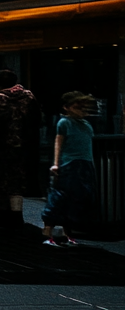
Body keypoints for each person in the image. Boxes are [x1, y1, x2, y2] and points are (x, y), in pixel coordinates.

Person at [42, 92, 97, 247]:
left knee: (77, 199)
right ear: (67, 108)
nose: (82, 109)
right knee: (62, 196)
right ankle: (50, 230)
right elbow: (58, 143)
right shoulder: (65, 122)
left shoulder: (85, 124)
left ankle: (67, 233)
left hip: (84, 163)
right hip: (70, 164)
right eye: (77, 106)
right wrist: (56, 163)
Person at [0, 68, 39, 231]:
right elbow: (37, 119)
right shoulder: (29, 96)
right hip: (24, 146)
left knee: (1, 181)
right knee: (18, 181)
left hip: (2, 146)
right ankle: (17, 216)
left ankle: (2, 216)